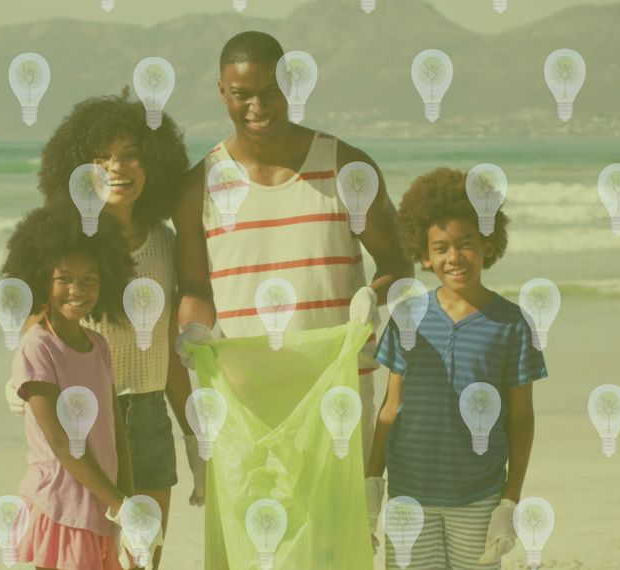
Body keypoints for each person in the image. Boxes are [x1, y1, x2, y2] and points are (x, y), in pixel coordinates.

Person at [171, 31, 414, 568]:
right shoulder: (198, 187)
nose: (257, 107)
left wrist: (372, 301)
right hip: (243, 401)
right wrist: (194, 331)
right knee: (259, 546)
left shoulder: (347, 168)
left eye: (270, 91)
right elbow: (194, 290)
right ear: (221, 93)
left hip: (338, 390)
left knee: (332, 540)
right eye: (242, 94)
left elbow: (399, 264)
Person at [5, 90, 203, 569]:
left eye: (131, 155)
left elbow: (169, 351)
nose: (118, 168)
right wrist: (21, 387)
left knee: (143, 558)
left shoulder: (165, 242)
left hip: (150, 415)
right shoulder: (69, 244)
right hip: (83, 422)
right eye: (101, 158)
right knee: (83, 556)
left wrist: (194, 434)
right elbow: (39, 328)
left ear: (153, 164)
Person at [366, 168, 549, 569]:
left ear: (487, 242)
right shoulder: (407, 316)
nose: (454, 257)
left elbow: (521, 419)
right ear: (424, 255)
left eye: (466, 244)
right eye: (441, 247)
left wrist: (510, 501)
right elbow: (389, 408)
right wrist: (371, 485)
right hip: (408, 498)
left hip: (478, 498)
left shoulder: (513, 324)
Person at [2, 207, 138, 570]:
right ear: (42, 279)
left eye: (90, 279)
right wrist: (120, 505)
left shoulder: (99, 346)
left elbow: (115, 428)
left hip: (103, 504)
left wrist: (128, 498)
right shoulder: (37, 347)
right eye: (64, 278)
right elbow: (61, 443)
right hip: (64, 504)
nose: (77, 290)